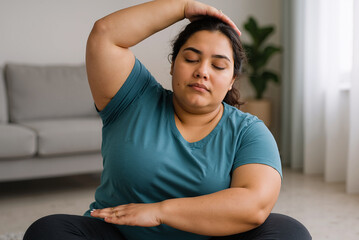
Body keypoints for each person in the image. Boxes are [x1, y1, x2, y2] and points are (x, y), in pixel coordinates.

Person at [24, 0, 312, 239]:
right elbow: (105, 34)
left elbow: (254, 205)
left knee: (289, 232)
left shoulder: (248, 132)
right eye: (191, 58)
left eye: (218, 65)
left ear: (231, 79)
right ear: (173, 65)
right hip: (119, 235)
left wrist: (161, 211)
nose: (202, 71)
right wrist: (183, 7)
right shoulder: (133, 98)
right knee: (47, 231)